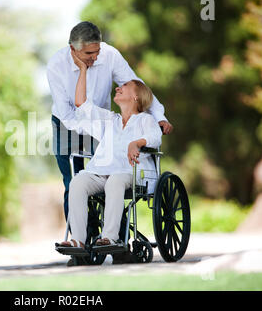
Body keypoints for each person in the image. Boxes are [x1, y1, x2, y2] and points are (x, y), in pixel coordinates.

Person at [47, 21, 172, 221]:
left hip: (101, 122)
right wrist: (89, 122)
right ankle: (81, 246)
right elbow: (69, 114)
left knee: (109, 176)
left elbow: (137, 87)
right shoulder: (56, 65)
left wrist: (159, 117)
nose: (95, 57)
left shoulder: (109, 55)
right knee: (72, 180)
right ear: (73, 49)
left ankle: (117, 241)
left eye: (97, 51)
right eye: (89, 54)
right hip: (66, 123)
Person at [58, 50, 162, 250]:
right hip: (102, 172)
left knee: (115, 181)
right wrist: (82, 70)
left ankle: (110, 237)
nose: (118, 88)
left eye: (124, 86)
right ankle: (78, 239)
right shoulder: (109, 120)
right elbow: (81, 104)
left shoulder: (145, 120)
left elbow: (155, 137)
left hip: (132, 173)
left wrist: (137, 143)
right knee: (78, 182)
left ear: (136, 97)